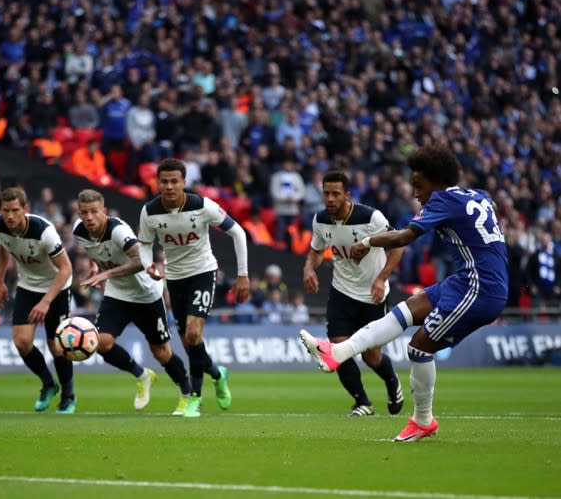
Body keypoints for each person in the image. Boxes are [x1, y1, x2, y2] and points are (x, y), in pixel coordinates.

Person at [300, 145, 508, 441]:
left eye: (419, 186)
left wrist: (368, 242)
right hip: (465, 279)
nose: (415, 193)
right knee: (409, 307)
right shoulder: (476, 195)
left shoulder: (443, 200)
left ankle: (423, 421)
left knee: (419, 347)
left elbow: (405, 236)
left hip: (480, 288)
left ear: (436, 182)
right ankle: (338, 352)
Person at [138, 158, 250, 417]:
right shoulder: (150, 212)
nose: (168, 186)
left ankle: (195, 398)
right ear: (158, 183)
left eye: (174, 181)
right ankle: (217, 374)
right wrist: (148, 265)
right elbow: (144, 243)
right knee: (191, 344)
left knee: (192, 333)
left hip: (202, 272)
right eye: (164, 181)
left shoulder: (202, 206)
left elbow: (238, 232)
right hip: (175, 279)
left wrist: (243, 275)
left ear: (184, 183)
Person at [74, 189, 193, 414]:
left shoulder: (118, 231)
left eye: (93, 212)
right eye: (84, 213)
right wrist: (93, 265)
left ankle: (187, 393)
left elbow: (142, 260)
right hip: (118, 294)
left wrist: (106, 274)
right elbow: (92, 250)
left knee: (161, 353)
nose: (89, 217)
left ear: (104, 212)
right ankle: (142, 375)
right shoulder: (79, 231)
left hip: (147, 295)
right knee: (101, 343)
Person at [303, 170, 404, 417]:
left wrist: (381, 278)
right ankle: (363, 402)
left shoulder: (371, 218)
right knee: (338, 348)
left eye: (335, 194)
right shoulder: (320, 220)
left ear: (348, 195)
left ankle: (392, 382)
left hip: (373, 294)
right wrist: (308, 269)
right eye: (326, 193)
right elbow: (316, 251)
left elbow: (398, 245)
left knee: (371, 357)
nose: (329, 199)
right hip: (341, 292)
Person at [0, 186, 76, 414]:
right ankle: (49, 383)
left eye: (15, 210)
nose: (10, 216)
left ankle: (69, 394)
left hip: (56, 287)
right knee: (21, 342)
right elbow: (3, 248)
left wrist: (46, 301)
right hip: (28, 286)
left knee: (56, 345)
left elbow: (66, 268)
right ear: (0, 209)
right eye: (6, 210)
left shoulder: (43, 232)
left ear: (25, 209)